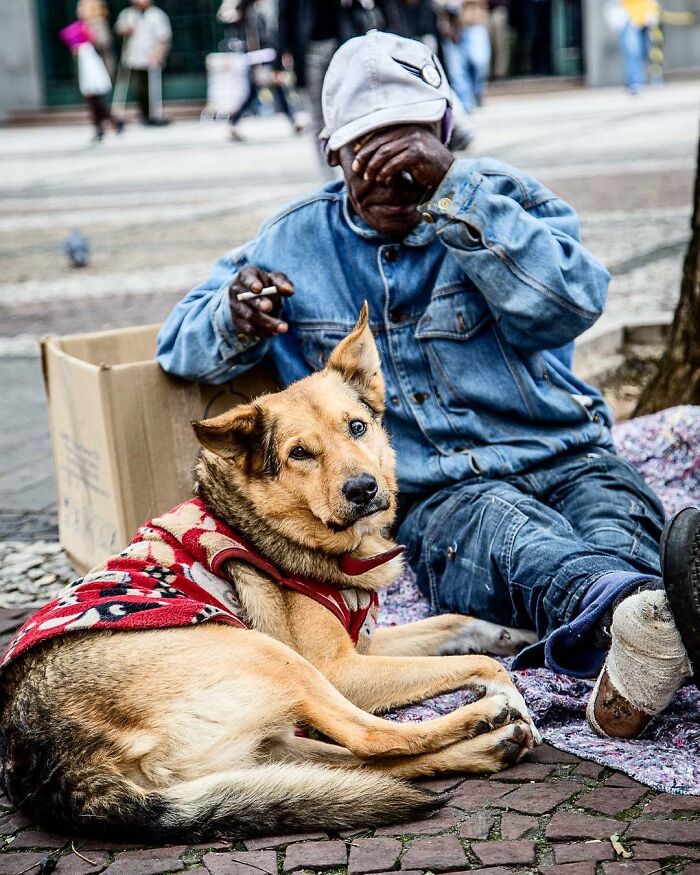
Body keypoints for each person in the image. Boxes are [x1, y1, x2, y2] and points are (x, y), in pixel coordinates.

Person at [156, 31, 700, 739]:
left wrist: (456, 192)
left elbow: (574, 301)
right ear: (332, 153)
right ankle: (636, 618)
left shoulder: (502, 196)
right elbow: (178, 344)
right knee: (518, 544)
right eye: (366, 155)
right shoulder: (292, 241)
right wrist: (236, 313)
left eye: (408, 149)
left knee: (620, 522)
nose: (390, 176)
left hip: (568, 452)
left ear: (444, 133)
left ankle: (642, 641)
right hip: (445, 497)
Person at [217, 0, 304, 141]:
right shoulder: (251, 12)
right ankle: (233, 122)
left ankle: (293, 121)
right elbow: (255, 39)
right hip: (259, 58)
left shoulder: (256, 10)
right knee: (257, 91)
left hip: (264, 56)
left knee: (275, 90)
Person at [59, 9, 123, 143]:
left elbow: (103, 44)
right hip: (86, 65)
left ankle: (104, 126)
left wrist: (89, 39)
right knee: (93, 100)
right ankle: (111, 124)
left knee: (94, 99)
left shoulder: (97, 25)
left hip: (97, 66)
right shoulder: (79, 25)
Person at [114, 0, 172, 125]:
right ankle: (144, 114)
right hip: (133, 58)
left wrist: (158, 55)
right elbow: (118, 30)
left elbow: (164, 38)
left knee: (153, 88)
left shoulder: (157, 15)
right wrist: (125, 30)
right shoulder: (127, 14)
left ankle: (155, 114)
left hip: (151, 58)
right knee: (138, 88)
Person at [435, 0, 492, 111]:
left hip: (473, 22)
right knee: (457, 71)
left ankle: (477, 92)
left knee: (479, 61)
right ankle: (467, 103)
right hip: (451, 28)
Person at [606, 0, 661, 94]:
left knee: (645, 52)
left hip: (644, 19)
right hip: (628, 20)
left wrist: (652, 13)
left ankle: (646, 80)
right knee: (633, 52)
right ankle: (635, 83)